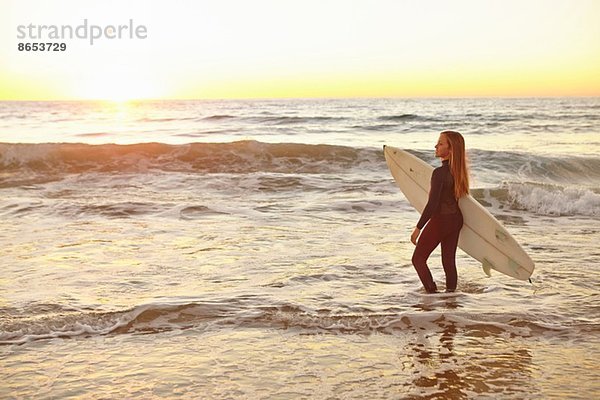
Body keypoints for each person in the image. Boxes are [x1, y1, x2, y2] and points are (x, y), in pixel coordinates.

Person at [410, 131, 469, 293]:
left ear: (451, 150)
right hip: (456, 220)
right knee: (448, 262)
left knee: (418, 259)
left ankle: (432, 294)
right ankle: (451, 298)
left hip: (441, 220)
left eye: (441, 143)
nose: (436, 146)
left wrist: (418, 228)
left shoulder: (439, 173)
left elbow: (433, 204)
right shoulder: (460, 173)